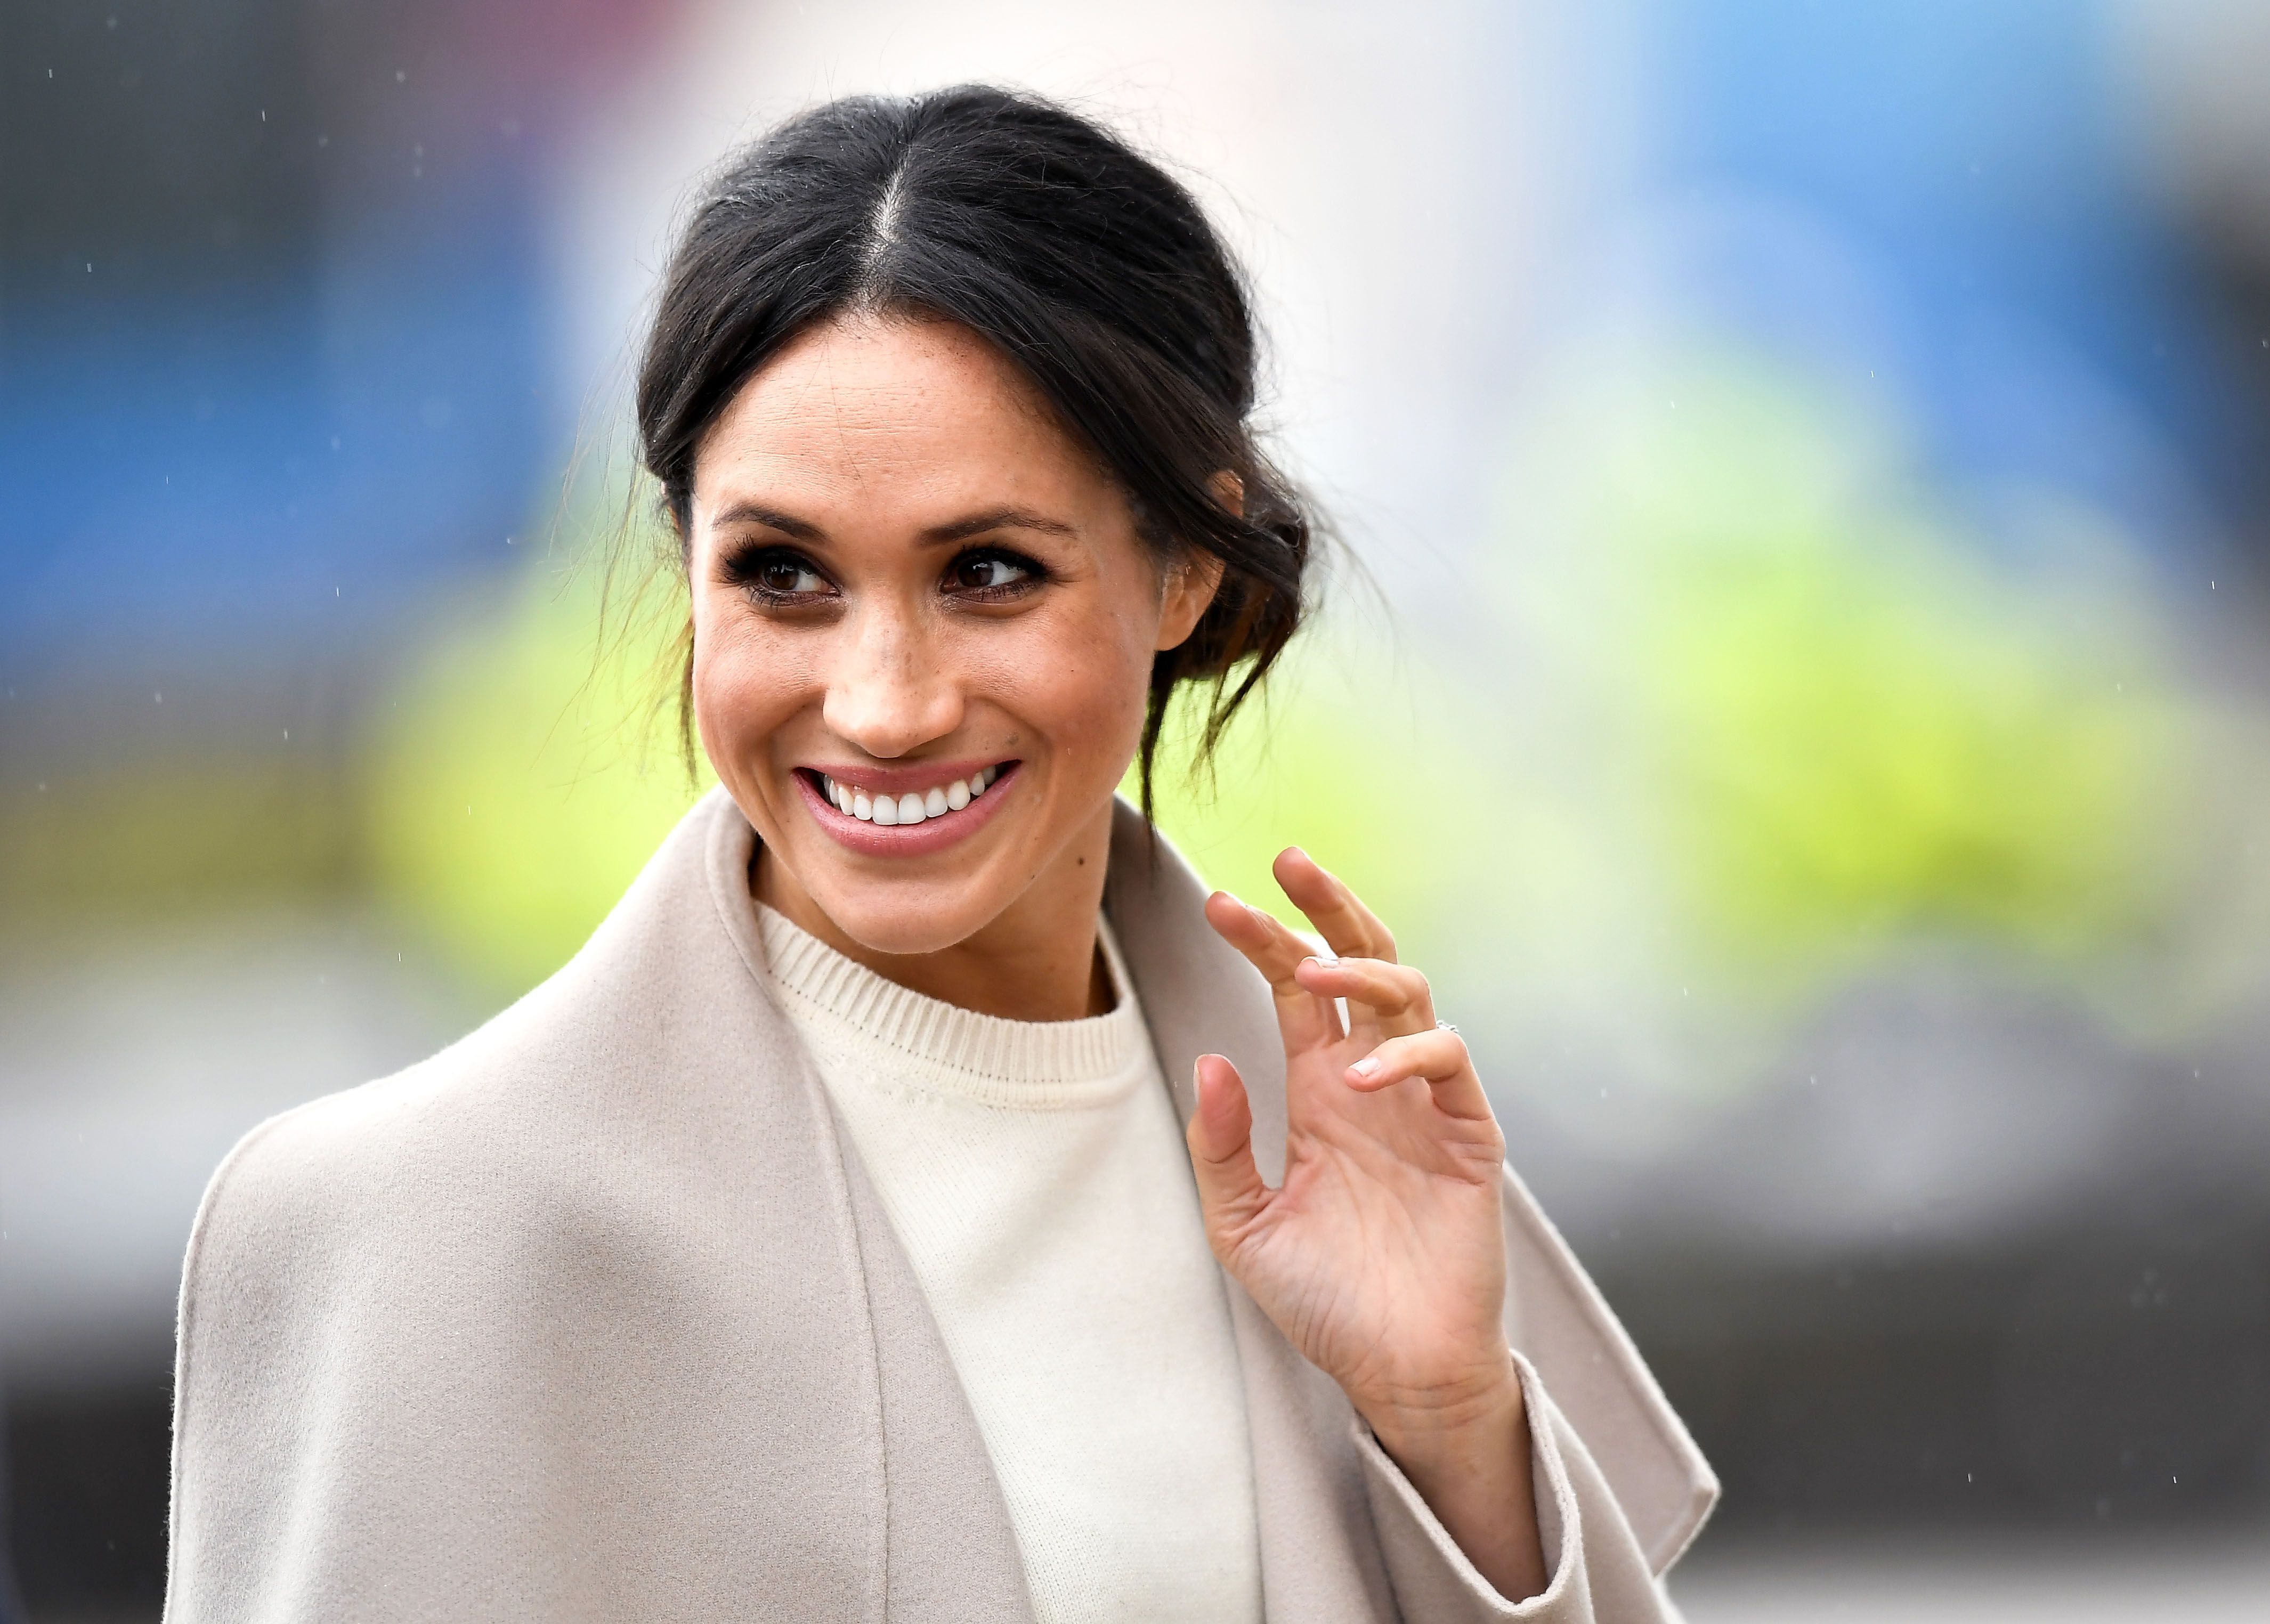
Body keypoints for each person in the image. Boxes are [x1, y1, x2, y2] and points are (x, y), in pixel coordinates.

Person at [164, 86, 1714, 1622]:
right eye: (782, 575)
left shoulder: (1346, 1171)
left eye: (987, 571)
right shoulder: (424, 1233)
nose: (884, 705)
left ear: (1185, 566)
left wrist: (1446, 1423)